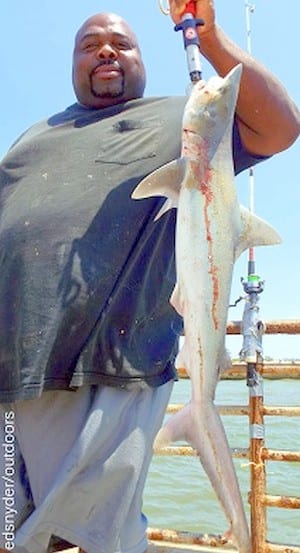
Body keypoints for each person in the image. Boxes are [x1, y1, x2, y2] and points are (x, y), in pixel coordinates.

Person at [0, 2, 298, 553]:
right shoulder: (31, 137)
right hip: (11, 374)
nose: (106, 50)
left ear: (142, 61)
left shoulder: (180, 121)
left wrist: (208, 37)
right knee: (9, 529)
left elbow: (280, 127)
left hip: (105, 365)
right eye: (90, 45)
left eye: (122, 44)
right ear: (72, 63)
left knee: (89, 536)